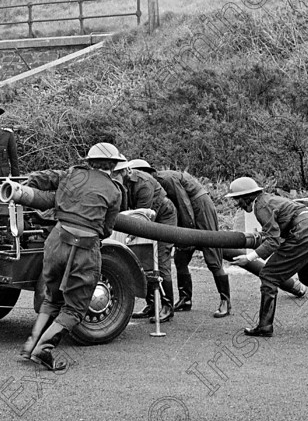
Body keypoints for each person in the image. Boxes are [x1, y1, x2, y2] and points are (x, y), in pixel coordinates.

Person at [13, 142, 124, 371]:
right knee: (75, 307)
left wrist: (24, 185)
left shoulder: (72, 174)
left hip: (56, 240)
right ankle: (44, 349)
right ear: (113, 165)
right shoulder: (114, 191)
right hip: (84, 248)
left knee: (52, 298)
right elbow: (107, 229)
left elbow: (43, 178)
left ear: (89, 162)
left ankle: (31, 343)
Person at [226, 177, 308, 337]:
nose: (236, 204)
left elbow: (273, 241)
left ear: (246, 197)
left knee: (269, 275)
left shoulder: (261, 206)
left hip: (305, 233)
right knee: (307, 276)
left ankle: (264, 326)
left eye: (236, 199)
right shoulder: (269, 199)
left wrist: (249, 258)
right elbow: (277, 234)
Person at [126, 160, 234, 318]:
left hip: (200, 206)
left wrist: (187, 233)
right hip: (182, 213)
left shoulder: (166, 179)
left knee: (211, 251)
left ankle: (225, 301)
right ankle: (185, 299)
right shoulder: (147, 187)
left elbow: (185, 203)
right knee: (180, 259)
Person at [113, 159, 178, 323]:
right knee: (143, 260)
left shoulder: (144, 183)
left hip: (164, 217)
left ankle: (167, 307)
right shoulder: (121, 184)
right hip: (145, 217)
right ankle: (152, 305)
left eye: (116, 174)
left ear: (125, 172)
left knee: (161, 261)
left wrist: (128, 235)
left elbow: (143, 218)